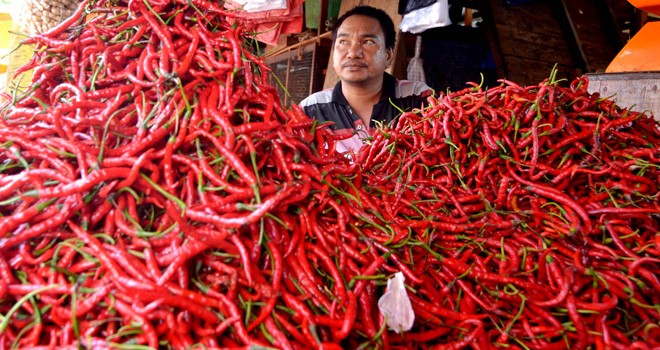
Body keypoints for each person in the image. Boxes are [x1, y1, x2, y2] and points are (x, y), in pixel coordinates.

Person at [300, 5, 432, 154]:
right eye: (343, 42)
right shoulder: (310, 109)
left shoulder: (416, 97)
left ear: (388, 56)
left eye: (368, 42)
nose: (353, 53)